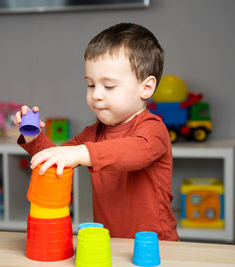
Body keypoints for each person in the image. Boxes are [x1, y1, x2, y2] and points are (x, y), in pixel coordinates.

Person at [14, 23, 178, 241]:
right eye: (91, 85)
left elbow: (135, 152)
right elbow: (56, 160)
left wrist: (82, 153)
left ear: (146, 88)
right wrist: (33, 138)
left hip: (156, 246)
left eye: (109, 86)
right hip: (110, 243)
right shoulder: (92, 134)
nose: (97, 95)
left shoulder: (152, 129)